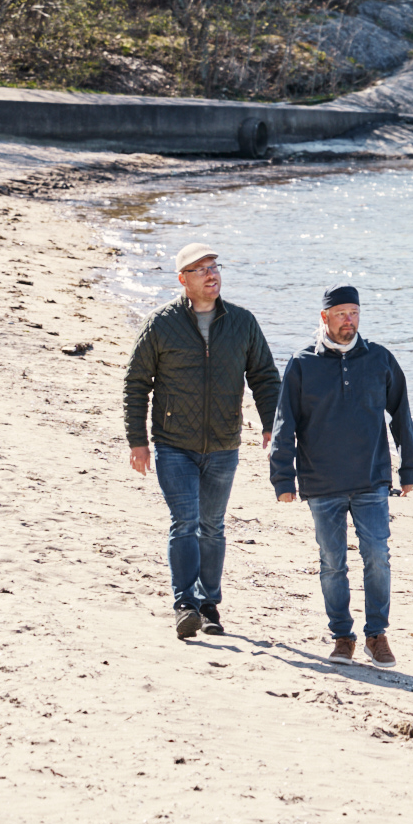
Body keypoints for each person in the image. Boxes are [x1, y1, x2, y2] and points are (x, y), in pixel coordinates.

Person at [123, 241, 280, 642]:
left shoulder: (242, 323)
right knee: (185, 523)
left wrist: (272, 425)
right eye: (200, 269)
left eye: (214, 266)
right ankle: (184, 604)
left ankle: (209, 605)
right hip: (173, 443)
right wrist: (137, 440)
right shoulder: (161, 324)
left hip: (225, 443)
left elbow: (263, 376)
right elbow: (137, 382)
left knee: (212, 527)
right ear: (183, 280)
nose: (211, 273)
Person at [270, 280, 413, 665]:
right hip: (322, 483)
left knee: (378, 556)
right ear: (325, 317)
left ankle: (376, 634)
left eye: (354, 313)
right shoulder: (303, 363)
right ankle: (342, 636)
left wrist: (409, 467)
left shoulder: (379, 359)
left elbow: (401, 415)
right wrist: (283, 477)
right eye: (341, 314)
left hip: (371, 478)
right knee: (333, 561)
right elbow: (285, 423)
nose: (349, 321)